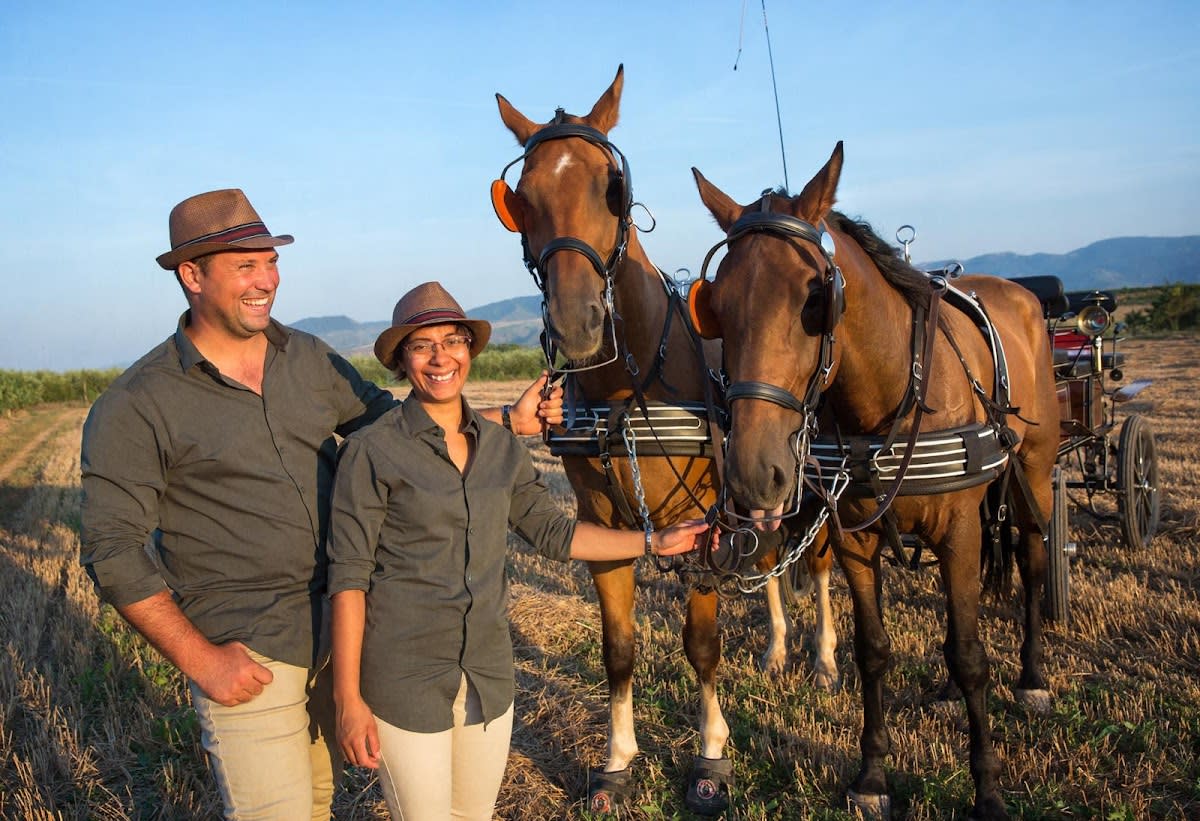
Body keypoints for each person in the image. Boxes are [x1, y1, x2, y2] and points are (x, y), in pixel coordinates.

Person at [79, 189, 562, 821]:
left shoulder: (306, 357)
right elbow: (111, 551)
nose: (266, 280)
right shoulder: (138, 403)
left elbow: (394, 430)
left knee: (318, 804)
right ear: (191, 276)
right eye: (244, 265)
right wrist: (203, 661)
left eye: (270, 261)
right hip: (251, 651)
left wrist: (502, 422)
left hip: (346, 636)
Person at [326, 281, 709, 821]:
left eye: (454, 341)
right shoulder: (372, 451)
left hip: (487, 677)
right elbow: (349, 579)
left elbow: (554, 532)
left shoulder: (500, 444)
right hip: (404, 679)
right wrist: (348, 700)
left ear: (470, 351)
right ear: (401, 361)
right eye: (422, 345)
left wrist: (653, 540)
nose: (441, 357)